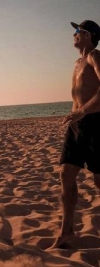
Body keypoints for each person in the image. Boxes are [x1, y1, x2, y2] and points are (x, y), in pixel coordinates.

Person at [52, 20, 100, 249]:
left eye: (78, 31)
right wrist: (76, 113)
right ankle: (66, 233)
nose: (74, 34)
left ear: (89, 35)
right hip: (76, 124)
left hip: (95, 122)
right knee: (66, 173)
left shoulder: (94, 57)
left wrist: (83, 110)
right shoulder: (77, 62)